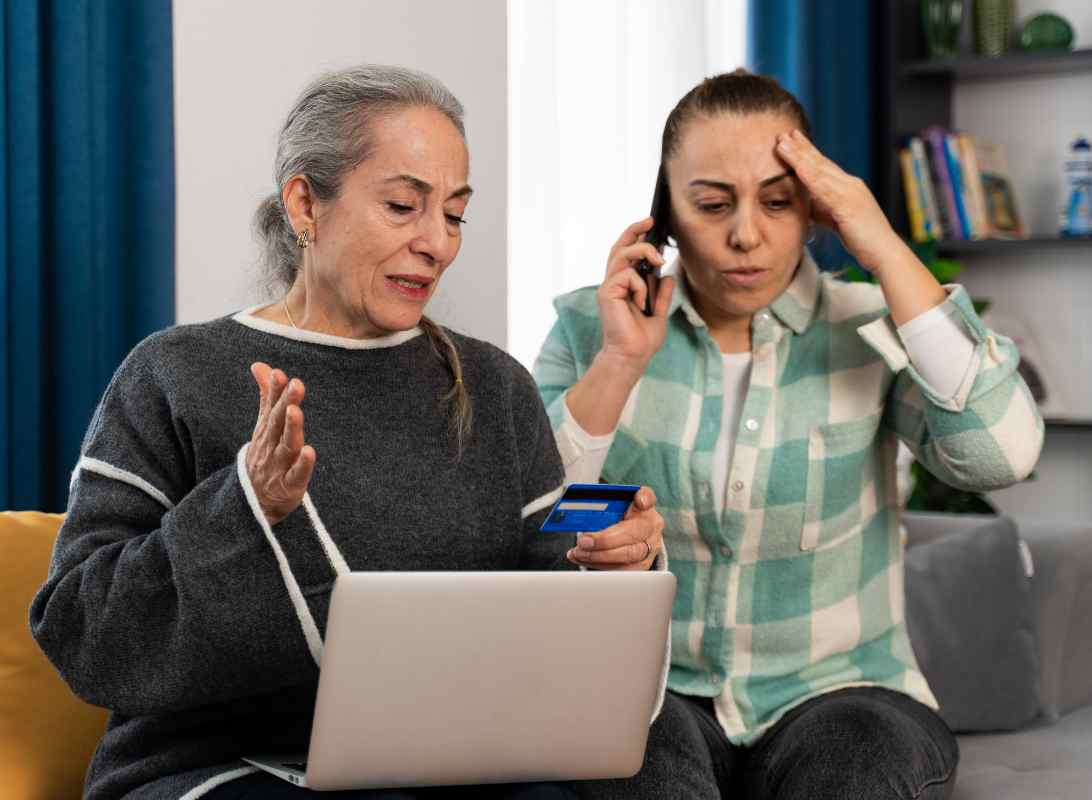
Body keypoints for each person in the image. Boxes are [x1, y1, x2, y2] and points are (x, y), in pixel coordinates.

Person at [29, 65, 666, 800]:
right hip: (220, 770)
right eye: (403, 206)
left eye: (455, 215)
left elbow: (553, 596)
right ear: (305, 203)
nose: (438, 243)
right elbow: (82, 629)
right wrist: (242, 509)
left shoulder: (496, 387)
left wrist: (615, 567)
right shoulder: (173, 373)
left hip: (459, 768)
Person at [534, 69, 1044, 799]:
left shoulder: (872, 324)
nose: (746, 234)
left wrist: (882, 247)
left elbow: (1005, 453)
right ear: (664, 216)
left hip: (846, 692)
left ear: (814, 210)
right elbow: (530, 522)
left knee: (853, 769)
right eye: (711, 205)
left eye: (778, 202)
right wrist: (620, 363)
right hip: (651, 686)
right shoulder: (591, 328)